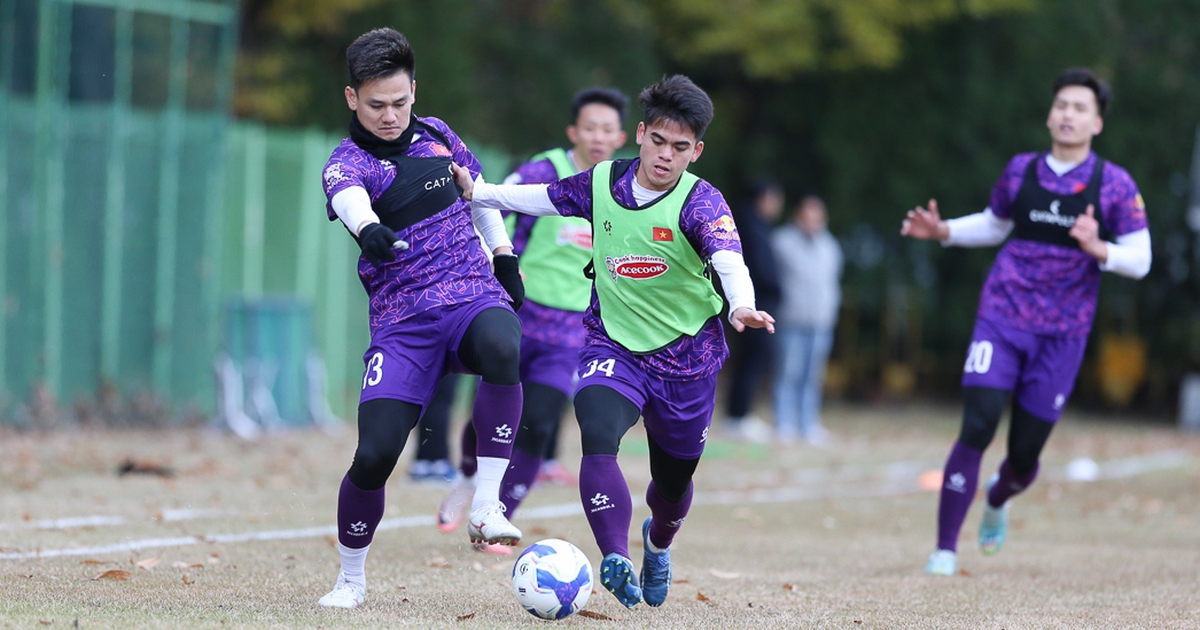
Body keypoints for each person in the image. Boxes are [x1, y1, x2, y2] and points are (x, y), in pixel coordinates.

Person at [454, 74, 775, 609]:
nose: (665, 157)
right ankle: (614, 555)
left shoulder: (703, 203)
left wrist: (741, 303)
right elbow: (542, 198)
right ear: (641, 134)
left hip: (686, 360)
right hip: (612, 347)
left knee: (671, 489)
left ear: (696, 152)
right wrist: (479, 191)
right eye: (657, 142)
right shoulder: (603, 183)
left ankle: (657, 541)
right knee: (597, 432)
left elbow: (728, 260)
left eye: (679, 148)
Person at [901, 68, 1151, 576]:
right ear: (1049, 114)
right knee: (978, 421)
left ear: (1097, 123)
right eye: (1061, 104)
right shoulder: (1020, 170)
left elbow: (1141, 259)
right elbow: (996, 224)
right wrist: (944, 230)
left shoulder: (1116, 185)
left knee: (1024, 455)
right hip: (1003, 314)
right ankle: (945, 550)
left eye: (1080, 107)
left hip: (1063, 333)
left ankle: (998, 497)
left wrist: (1097, 246)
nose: (1068, 114)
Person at [316, 28, 528, 609]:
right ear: (352, 98)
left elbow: (478, 194)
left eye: (400, 102)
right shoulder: (348, 161)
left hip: (469, 295)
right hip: (403, 324)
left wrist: (504, 256)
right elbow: (347, 199)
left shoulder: (438, 135)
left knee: (506, 343)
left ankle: (486, 503)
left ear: (415, 92)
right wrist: (369, 229)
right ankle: (351, 579)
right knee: (375, 454)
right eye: (377, 104)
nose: (390, 116)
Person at [436, 87, 630, 552]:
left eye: (608, 130)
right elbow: (486, 206)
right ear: (573, 131)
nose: (598, 137)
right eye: (590, 128)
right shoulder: (546, 171)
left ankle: (497, 519)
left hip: (573, 331)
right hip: (517, 313)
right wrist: (502, 258)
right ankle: (469, 477)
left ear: (622, 136)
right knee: (492, 412)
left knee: (539, 423)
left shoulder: (623, 186)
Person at [771, 194, 842, 445]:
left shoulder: (830, 246)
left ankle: (808, 424)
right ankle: (784, 423)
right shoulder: (781, 242)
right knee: (788, 373)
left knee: (812, 376)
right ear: (798, 215)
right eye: (808, 214)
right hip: (791, 318)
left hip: (821, 321)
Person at [722, 180, 783, 442]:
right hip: (753, 304)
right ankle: (738, 416)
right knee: (751, 361)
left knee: (751, 361)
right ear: (764, 198)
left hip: (755, 302)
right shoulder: (751, 227)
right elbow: (760, 268)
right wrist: (777, 288)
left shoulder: (755, 225)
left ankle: (741, 414)